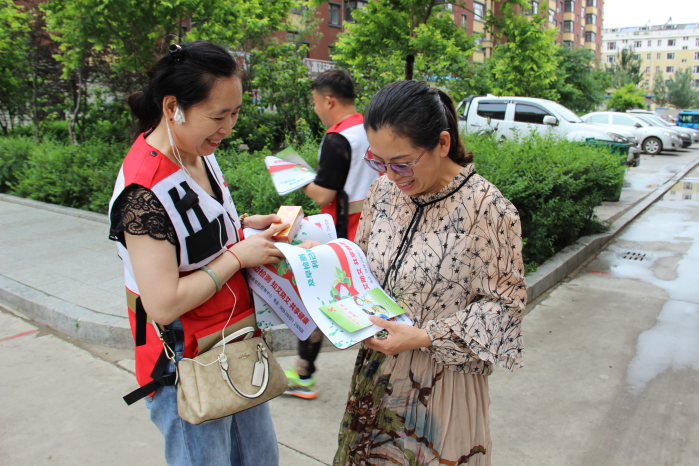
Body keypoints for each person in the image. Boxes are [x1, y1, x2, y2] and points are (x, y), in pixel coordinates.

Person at [108, 41, 294, 466]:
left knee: (260, 458)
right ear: (173, 107)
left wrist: (244, 227)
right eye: (217, 116)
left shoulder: (197, 151)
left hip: (233, 341)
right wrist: (238, 256)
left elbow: (192, 233)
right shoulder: (142, 193)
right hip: (184, 361)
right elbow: (162, 302)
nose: (227, 128)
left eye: (235, 114)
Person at [333, 80, 528, 466]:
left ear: (442, 143)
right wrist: (323, 261)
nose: (391, 175)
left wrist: (424, 337)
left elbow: (505, 309)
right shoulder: (383, 193)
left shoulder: (487, 209)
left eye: (402, 162)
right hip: (375, 377)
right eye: (378, 162)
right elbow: (363, 264)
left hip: (439, 390)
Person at [284, 69, 378, 400]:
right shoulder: (371, 127)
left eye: (314, 103)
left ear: (328, 101)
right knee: (372, 302)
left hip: (343, 233)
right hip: (377, 228)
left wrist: (294, 176)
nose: (315, 109)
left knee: (317, 301)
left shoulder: (338, 138)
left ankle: (303, 375)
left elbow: (324, 194)